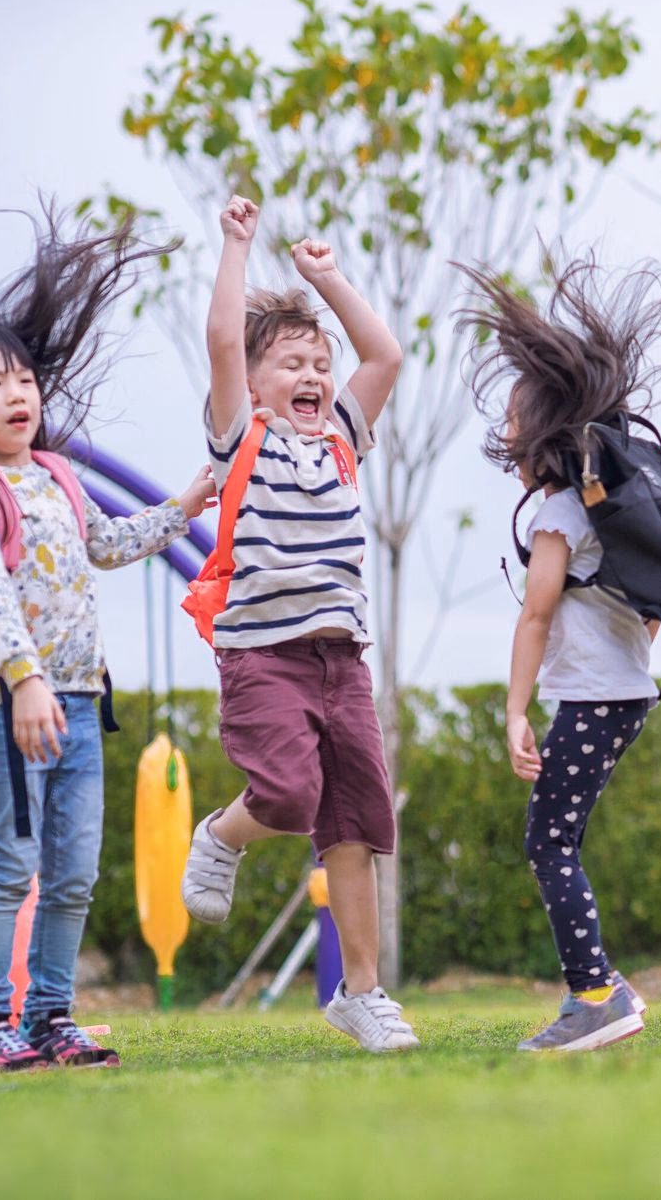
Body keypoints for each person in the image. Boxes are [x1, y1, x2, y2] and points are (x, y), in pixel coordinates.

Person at [0, 204, 215, 1073]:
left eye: (25, 381)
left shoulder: (60, 476)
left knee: (74, 873)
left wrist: (183, 507)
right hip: (14, 707)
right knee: (11, 863)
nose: (18, 395)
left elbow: (105, 544)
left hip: (79, 705)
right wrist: (26, 681)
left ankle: (49, 1019)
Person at [177, 195, 416, 1051]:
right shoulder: (242, 437)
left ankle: (362, 994)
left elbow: (385, 355)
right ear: (253, 383)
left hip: (342, 659)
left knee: (355, 821)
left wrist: (329, 280)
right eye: (291, 363)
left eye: (320, 363)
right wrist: (237, 245)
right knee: (285, 795)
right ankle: (221, 834)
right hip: (264, 656)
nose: (314, 375)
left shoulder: (343, 439)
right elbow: (221, 340)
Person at [461, 254, 661, 1050]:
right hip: (623, 692)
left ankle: (594, 994)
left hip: (595, 696)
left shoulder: (558, 514)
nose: (505, 431)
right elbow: (656, 602)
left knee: (549, 841)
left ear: (540, 435)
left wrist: (514, 711)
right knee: (558, 835)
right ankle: (605, 983)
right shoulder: (608, 508)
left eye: (513, 419)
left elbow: (535, 616)